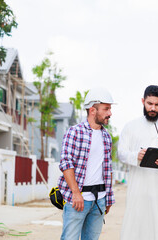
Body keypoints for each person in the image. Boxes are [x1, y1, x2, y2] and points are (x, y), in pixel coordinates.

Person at [118, 85, 158, 240]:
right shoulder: (130, 126)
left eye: (157, 104)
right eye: (149, 104)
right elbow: (121, 153)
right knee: (136, 227)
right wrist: (136, 156)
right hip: (138, 190)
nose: (153, 108)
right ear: (143, 101)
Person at [58, 87, 115, 240]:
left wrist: (108, 198)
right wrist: (76, 193)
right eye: (106, 109)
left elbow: (107, 168)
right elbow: (66, 163)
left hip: (99, 200)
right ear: (92, 110)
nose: (110, 113)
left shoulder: (107, 137)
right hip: (78, 199)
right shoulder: (74, 132)